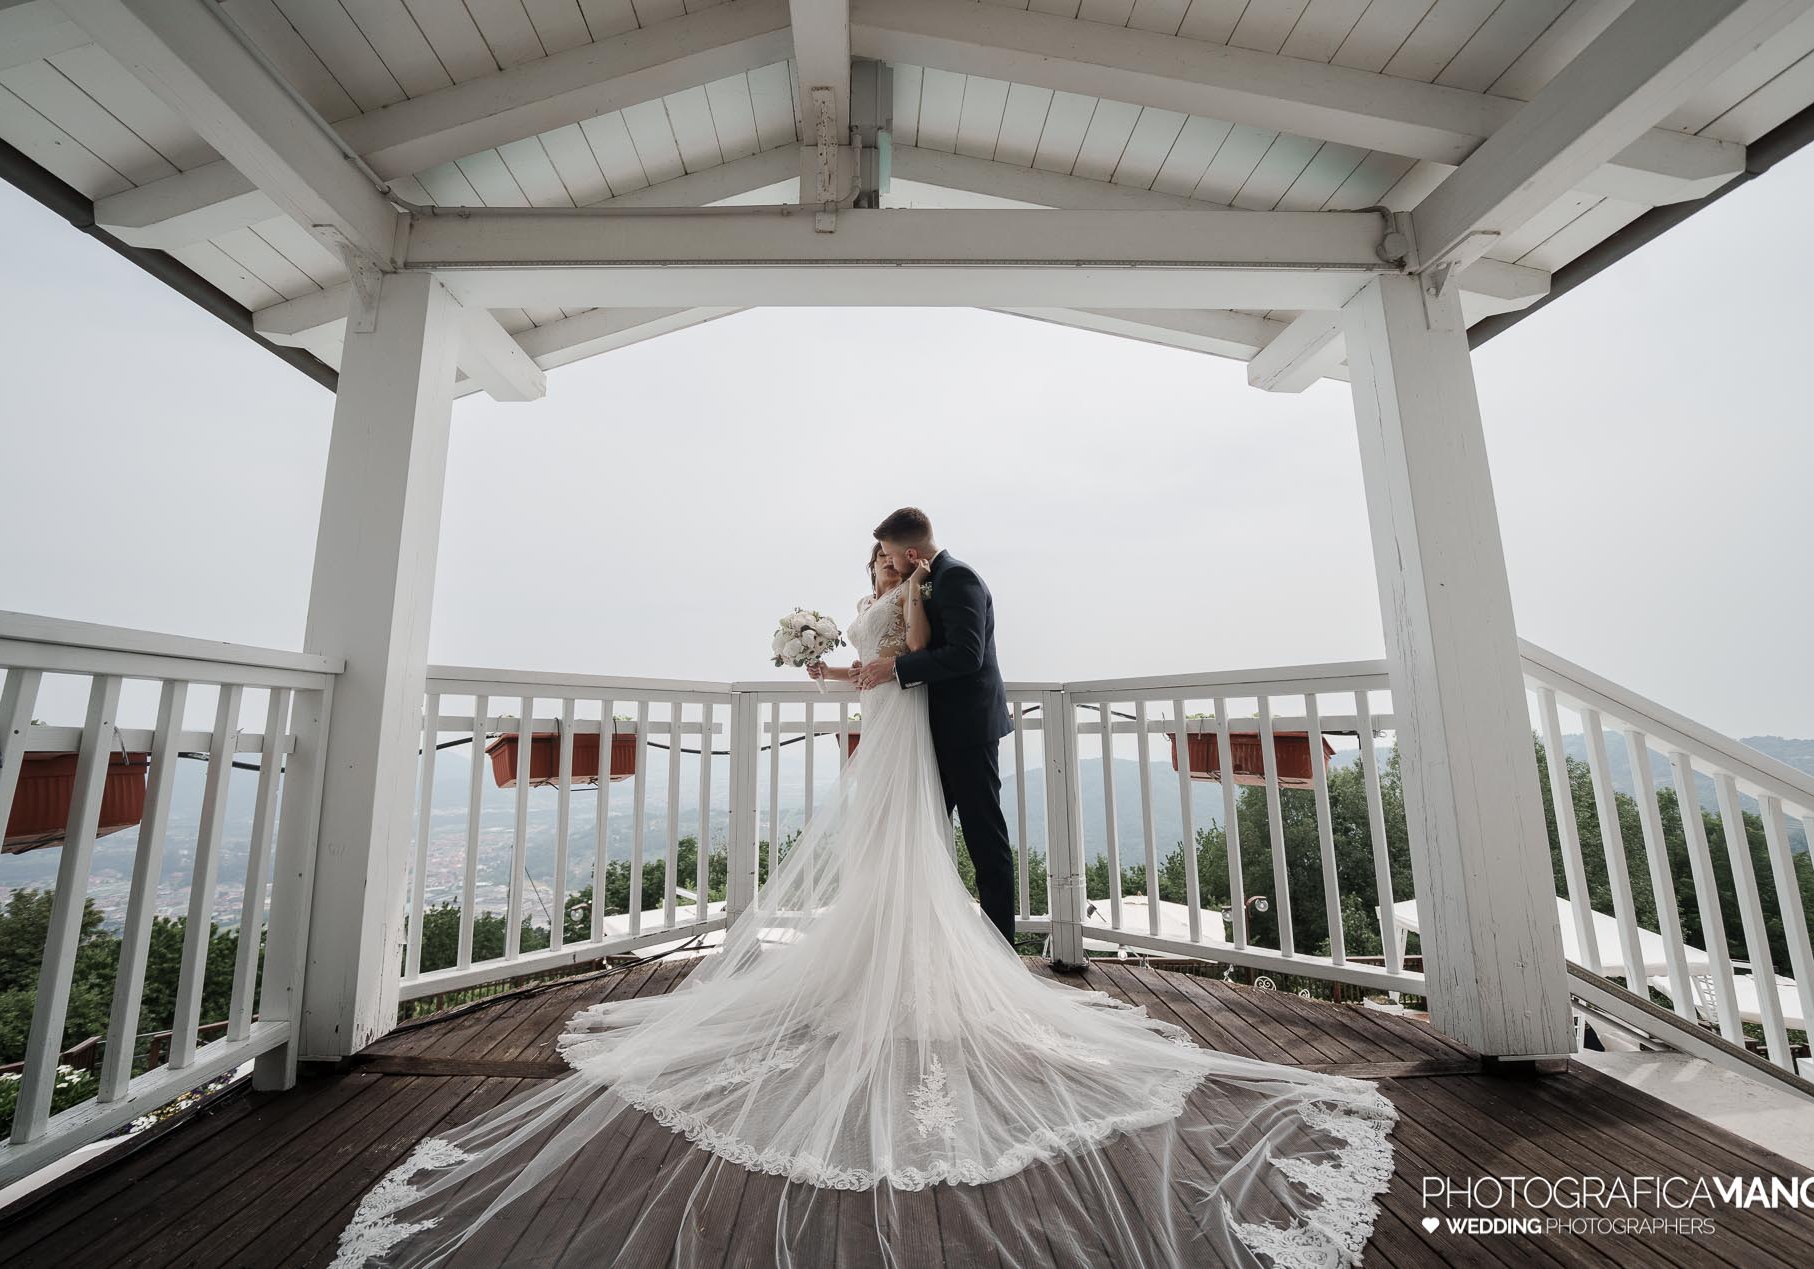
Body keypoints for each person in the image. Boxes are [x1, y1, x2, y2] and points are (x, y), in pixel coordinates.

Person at [326, 525, 1397, 1268]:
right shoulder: (887, 595)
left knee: (945, 849)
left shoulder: (938, 593)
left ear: (917, 552)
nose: (891, 562)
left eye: (899, 551)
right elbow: (873, 664)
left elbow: (927, 662)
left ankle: (975, 964)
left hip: (914, 729)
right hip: (882, 731)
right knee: (885, 852)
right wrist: (832, 673)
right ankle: (904, 968)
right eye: (882, 553)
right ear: (875, 556)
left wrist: (881, 671)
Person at [817, 507, 1017, 944]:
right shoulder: (930, 578)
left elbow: (967, 655)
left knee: (984, 837)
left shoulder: (956, 577)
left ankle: (1001, 948)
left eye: (889, 554)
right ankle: (913, 940)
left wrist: (897, 668)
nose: (886, 562)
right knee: (919, 835)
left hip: (967, 729)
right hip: (928, 729)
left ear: (910, 551)